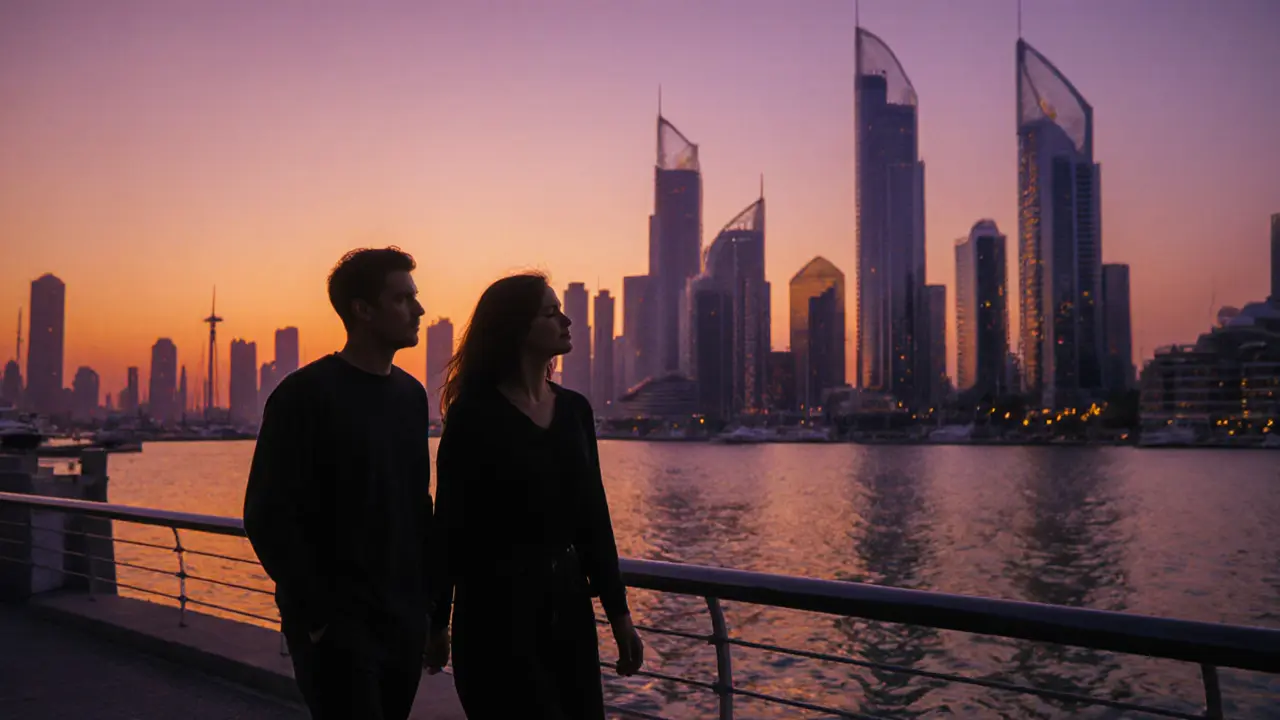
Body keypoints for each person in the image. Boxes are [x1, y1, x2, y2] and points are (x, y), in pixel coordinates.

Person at [423, 273, 644, 719]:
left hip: (568, 607)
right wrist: (436, 622)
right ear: (516, 328)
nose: (566, 321)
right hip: (494, 612)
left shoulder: (575, 410)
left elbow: (593, 520)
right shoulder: (474, 415)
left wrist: (619, 617)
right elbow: (450, 525)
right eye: (550, 312)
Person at [243, 247, 431, 720]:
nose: (419, 309)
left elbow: (416, 506)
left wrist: (425, 607)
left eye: (415, 297)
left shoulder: (412, 396)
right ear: (362, 310)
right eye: (403, 298)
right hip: (340, 626)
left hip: (402, 618)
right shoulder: (303, 395)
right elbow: (266, 515)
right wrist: (318, 616)